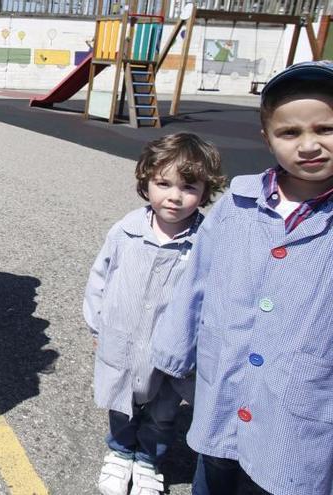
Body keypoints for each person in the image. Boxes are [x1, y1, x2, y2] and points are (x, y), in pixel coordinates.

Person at [151, 61, 333, 495]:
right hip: (227, 391)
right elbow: (198, 276)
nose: (308, 145)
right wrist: (174, 349)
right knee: (213, 476)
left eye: (325, 129)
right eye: (290, 133)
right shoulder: (241, 201)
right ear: (267, 139)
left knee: (280, 478)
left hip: (300, 403)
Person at [85, 133, 225, 495]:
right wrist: (96, 322)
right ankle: (119, 451)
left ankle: (148, 458)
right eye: (163, 184)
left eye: (188, 186)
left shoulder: (205, 241)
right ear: (146, 183)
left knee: (163, 411)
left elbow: (211, 298)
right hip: (123, 337)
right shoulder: (127, 230)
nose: (175, 197)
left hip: (170, 351)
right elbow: (100, 275)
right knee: (121, 401)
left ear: (205, 190)